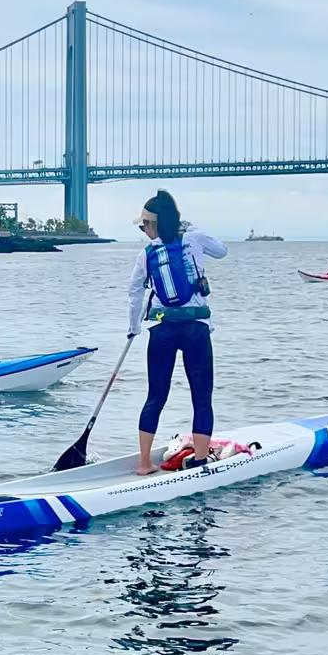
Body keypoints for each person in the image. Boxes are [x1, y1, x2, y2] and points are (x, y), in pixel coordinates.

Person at [128, 191, 228, 475]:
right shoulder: (193, 239)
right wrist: (192, 228)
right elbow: (222, 251)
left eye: (143, 225)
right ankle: (199, 459)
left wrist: (133, 328)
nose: (143, 230)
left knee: (155, 396)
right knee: (201, 396)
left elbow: (134, 294)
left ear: (154, 224)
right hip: (196, 329)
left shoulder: (146, 255)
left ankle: (145, 463)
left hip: (162, 330)